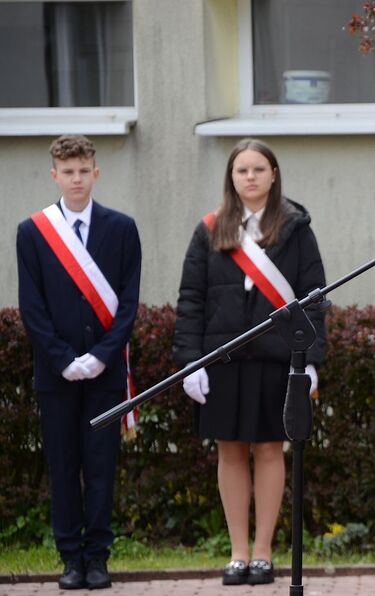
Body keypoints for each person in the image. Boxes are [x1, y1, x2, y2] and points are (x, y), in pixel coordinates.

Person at [173, 138, 326, 586]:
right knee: (230, 450)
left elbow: (314, 299)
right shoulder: (210, 228)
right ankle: (238, 553)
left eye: (259, 169)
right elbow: (191, 300)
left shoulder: (297, 228)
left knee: (269, 448)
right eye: (242, 170)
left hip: (278, 361)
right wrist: (190, 362)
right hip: (222, 360)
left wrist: (312, 361)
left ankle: (263, 553)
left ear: (273, 174)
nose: (251, 177)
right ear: (231, 177)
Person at [16, 135, 142, 590]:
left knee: (102, 466)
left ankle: (98, 558)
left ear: (96, 172)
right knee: (64, 466)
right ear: (55, 175)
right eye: (67, 172)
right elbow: (32, 307)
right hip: (57, 375)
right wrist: (64, 360)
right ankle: (70, 558)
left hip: (104, 374)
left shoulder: (122, 228)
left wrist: (100, 357)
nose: (76, 179)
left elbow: (128, 304)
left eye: (83, 170)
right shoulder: (32, 232)